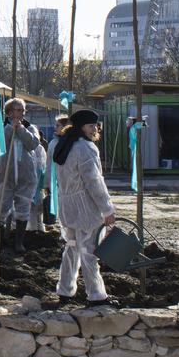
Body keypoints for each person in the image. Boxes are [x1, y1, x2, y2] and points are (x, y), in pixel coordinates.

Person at [53, 108, 117, 305]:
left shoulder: (64, 144)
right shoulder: (85, 148)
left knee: (71, 248)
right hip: (84, 208)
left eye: (95, 125)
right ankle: (97, 295)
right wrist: (107, 209)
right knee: (90, 251)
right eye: (91, 125)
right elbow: (94, 181)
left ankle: (65, 290)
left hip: (66, 206)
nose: (94, 129)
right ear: (81, 126)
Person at [0, 98, 41, 254]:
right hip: (6, 174)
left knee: (23, 208)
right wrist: (10, 129)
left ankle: (18, 242)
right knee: (2, 207)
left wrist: (21, 129)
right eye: (16, 110)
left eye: (22, 110)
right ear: (9, 112)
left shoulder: (30, 128)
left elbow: (33, 144)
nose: (20, 113)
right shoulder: (2, 127)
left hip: (26, 175)